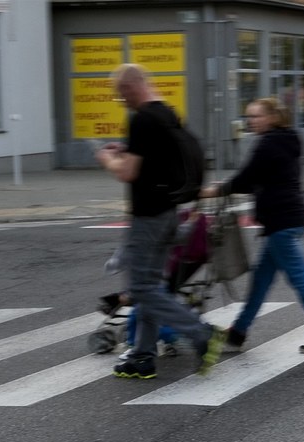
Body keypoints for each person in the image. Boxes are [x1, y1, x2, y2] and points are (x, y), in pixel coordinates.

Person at [94, 63, 226, 378]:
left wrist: (108, 159)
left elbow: (128, 173)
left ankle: (202, 334)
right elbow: (155, 160)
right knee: (150, 287)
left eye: (120, 96)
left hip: (148, 216)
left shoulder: (142, 119)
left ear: (129, 88)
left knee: (142, 287)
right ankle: (142, 355)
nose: (121, 102)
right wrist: (127, 150)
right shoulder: (168, 114)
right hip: (170, 213)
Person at [200, 97, 304, 355]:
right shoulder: (289, 139)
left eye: (256, 116)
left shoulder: (268, 144)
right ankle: (238, 333)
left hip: (281, 223)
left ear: (273, 117)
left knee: (301, 280)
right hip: (289, 219)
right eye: (249, 117)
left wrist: (212, 191)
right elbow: (258, 179)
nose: (251, 121)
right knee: (261, 282)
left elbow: (245, 179)